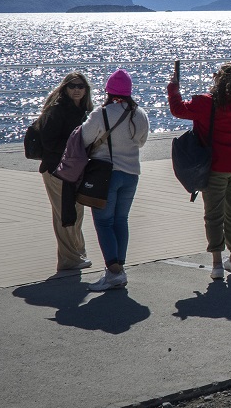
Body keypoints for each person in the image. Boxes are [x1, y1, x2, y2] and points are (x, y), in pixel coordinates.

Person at [168, 62, 231, 280]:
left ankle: (216, 264)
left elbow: (177, 110)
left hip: (214, 167)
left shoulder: (207, 102)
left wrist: (173, 87)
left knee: (213, 215)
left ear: (218, 80)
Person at [81, 69, 150, 291]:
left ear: (108, 91)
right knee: (121, 220)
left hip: (105, 175)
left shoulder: (101, 114)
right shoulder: (140, 114)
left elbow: (84, 137)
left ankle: (113, 273)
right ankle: (119, 268)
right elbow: (141, 142)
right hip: (131, 174)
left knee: (103, 222)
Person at [36, 72, 94, 272]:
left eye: (81, 86)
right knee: (65, 214)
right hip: (56, 170)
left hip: (76, 170)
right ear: (65, 88)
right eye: (72, 86)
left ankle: (77, 253)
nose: (77, 89)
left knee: (76, 212)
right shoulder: (57, 111)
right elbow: (48, 142)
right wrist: (75, 146)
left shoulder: (86, 111)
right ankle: (69, 260)